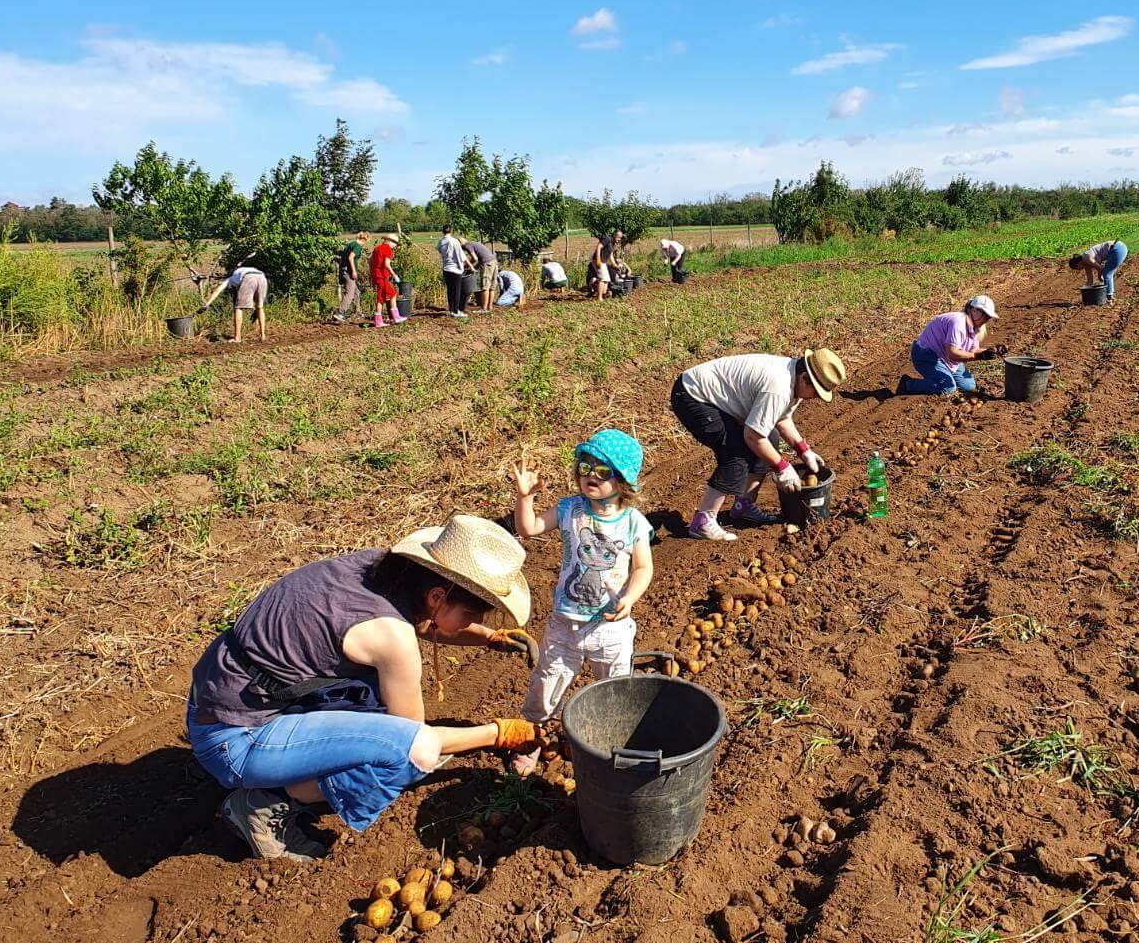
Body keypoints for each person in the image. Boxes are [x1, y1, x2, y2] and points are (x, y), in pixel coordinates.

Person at [186, 515, 542, 859]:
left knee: (375, 694)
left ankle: (289, 767)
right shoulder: (390, 636)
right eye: (472, 616)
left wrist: (489, 637)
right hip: (234, 740)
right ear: (437, 595)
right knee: (412, 755)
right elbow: (411, 739)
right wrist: (498, 734)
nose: (474, 622)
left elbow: (421, 620)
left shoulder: (378, 570)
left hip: (221, 697)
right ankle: (266, 802)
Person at [509, 430, 653, 766]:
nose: (591, 475)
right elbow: (528, 528)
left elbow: (643, 567)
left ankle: (612, 745)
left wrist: (630, 597)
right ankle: (530, 739)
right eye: (585, 467)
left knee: (614, 691)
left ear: (623, 481)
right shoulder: (570, 509)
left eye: (602, 471)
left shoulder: (633, 522)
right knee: (545, 687)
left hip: (610, 628)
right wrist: (524, 497)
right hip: (565, 624)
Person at [670, 348, 847, 541]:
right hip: (693, 395)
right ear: (805, 378)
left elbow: (781, 418)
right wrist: (782, 467)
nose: (816, 398)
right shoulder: (778, 387)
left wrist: (804, 451)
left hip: (715, 396)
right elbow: (753, 436)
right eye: (817, 392)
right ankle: (703, 522)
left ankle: (743, 506)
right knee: (736, 451)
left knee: (770, 438)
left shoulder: (795, 380)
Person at [898, 295, 998, 396]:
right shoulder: (958, 323)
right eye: (985, 315)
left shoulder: (975, 327)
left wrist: (992, 351)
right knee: (947, 387)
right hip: (926, 354)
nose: (986, 320)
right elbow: (952, 353)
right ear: (974, 310)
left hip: (945, 357)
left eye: (988, 317)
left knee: (969, 386)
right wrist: (978, 356)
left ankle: (940, 376)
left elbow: (973, 351)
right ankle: (907, 385)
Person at [202, 265, 269, 344]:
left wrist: (207, 304)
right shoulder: (240, 272)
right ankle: (263, 336)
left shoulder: (230, 279)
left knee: (238, 308)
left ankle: (237, 338)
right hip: (262, 277)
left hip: (248, 277)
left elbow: (217, 290)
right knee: (260, 307)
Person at [1070, 239, 1129, 304]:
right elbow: (1090, 280)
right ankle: (1110, 296)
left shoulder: (1086, 257)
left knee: (1107, 274)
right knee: (1108, 273)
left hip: (1117, 249)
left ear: (1078, 264)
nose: (1079, 270)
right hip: (1118, 248)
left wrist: (1099, 277)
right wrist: (1085, 291)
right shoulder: (1086, 264)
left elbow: (1100, 268)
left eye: (1077, 268)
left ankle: (1109, 298)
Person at [369, 234, 406, 328]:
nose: (395, 245)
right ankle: (396, 317)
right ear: (389, 241)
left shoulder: (377, 248)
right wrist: (394, 275)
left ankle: (378, 320)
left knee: (381, 297)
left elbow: (370, 260)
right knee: (392, 294)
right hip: (382, 276)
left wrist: (373, 273)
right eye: (395, 243)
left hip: (376, 275)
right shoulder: (388, 249)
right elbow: (386, 264)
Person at [438, 225, 471, 321]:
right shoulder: (454, 241)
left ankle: (451, 309)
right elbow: (460, 255)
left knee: (449, 290)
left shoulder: (441, 241)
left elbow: (440, 251)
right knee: (457, 290)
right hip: (455, 269)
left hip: (446, 269)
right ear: (451, 231)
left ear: (443, 231)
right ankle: (456, 311)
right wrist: (463, 267)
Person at [333, 233, 365, 324]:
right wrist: (354, 271)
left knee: (356, 292)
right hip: (349, 272)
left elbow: (342, 258)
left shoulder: (350, 244)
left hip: (343, 270)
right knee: (350, 293)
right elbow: (351, 257)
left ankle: (357, 312)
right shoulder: (358, 246)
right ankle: (340, 313)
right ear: (365, 240)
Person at [464, 238, 496, 313]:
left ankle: (484, 309)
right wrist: (474, 267)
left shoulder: (467, 245)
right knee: (492, 286)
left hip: (487, 264)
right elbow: (481, 258)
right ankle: (489, 307)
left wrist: (466, 265)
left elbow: (475, 258)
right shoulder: (474, 243)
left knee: (485, 286)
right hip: (494, 262)